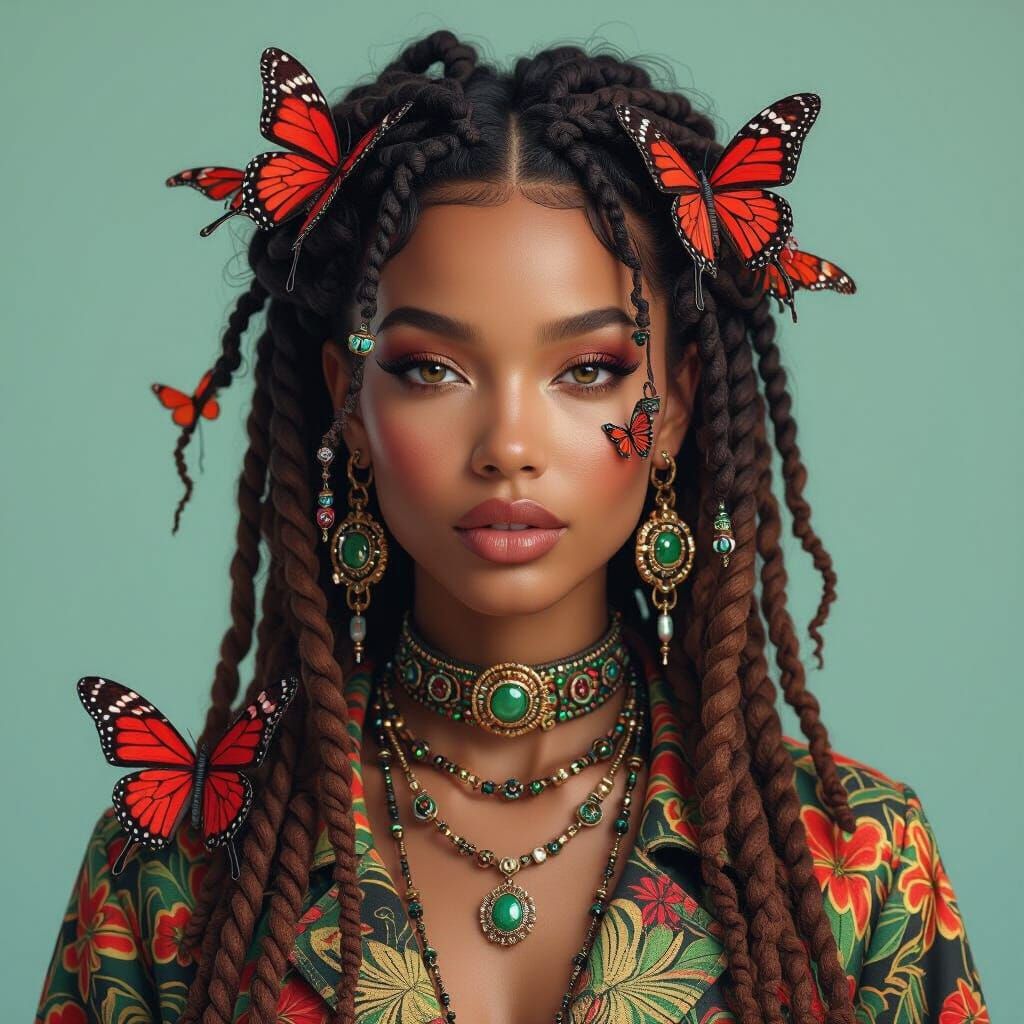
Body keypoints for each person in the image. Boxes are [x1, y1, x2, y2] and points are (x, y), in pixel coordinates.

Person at [36, 30, 989, 1024]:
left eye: (588, 370)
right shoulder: (179, 859)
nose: (507, 443)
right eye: (428, 369)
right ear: (348, 405)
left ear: (679, 402)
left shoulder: (860, 863)